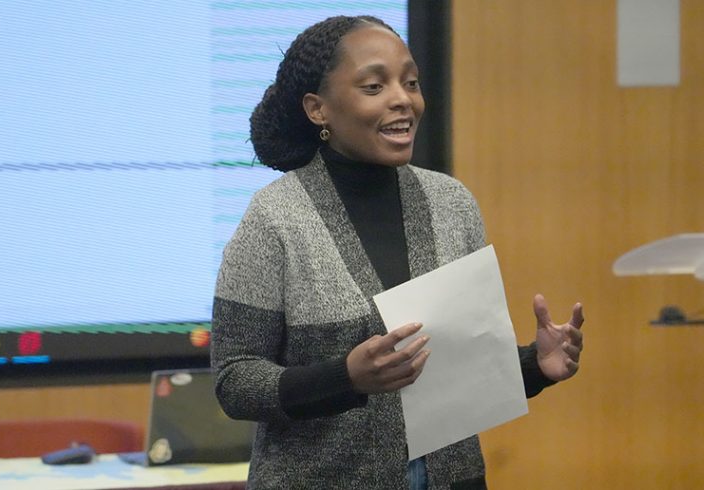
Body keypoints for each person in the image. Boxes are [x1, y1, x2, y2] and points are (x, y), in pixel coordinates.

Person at [210, 15, 584, 490]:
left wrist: (536, 365)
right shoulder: (274, 217)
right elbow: (235, 381)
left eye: (411, 82)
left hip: (453, 478)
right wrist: (346, 377)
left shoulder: (453, 204)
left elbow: (460, 373)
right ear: (317, 109)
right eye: (373, 86)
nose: (402, 99)